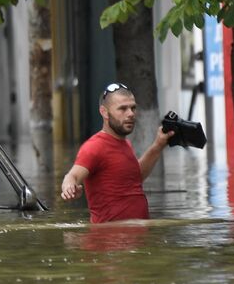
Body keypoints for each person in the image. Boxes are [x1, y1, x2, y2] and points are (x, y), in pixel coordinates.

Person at [60, 82, 174, 222]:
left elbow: (135, 178)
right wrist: (69, 187)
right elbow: (72, 175)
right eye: (123, 109)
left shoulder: (126, 144)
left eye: (133, 108)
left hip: (135, 239)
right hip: (108, 240)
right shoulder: (94, 146)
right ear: (104, 112)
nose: (131, 114)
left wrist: (158, 145)